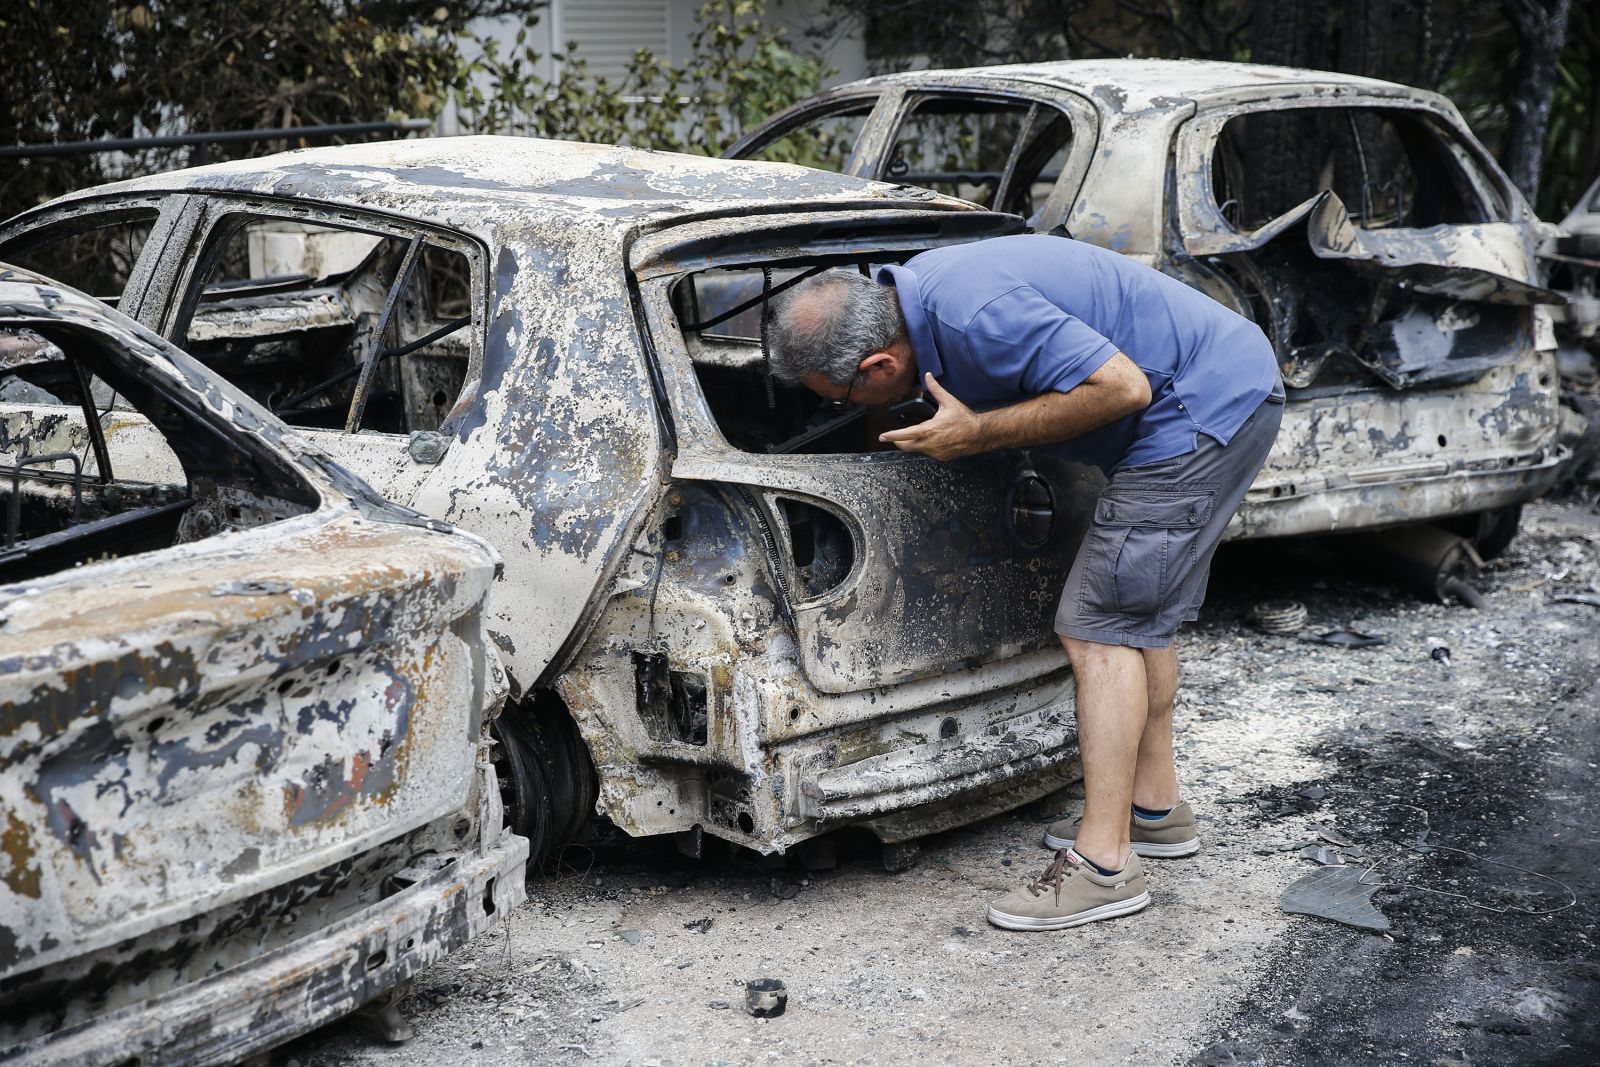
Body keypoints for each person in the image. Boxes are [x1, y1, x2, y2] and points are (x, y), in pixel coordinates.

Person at [768, 233, 1284, 931]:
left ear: (880, 363)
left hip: (1198, 409)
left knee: (1097, 628)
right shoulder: (920, 298)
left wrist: (977, 433)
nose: (849, 410)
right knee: (1136, 617)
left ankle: (1104, 866)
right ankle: (1154, 811)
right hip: (1220, 386)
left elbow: (1123, 387)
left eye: (842, 397)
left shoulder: (974, 315)